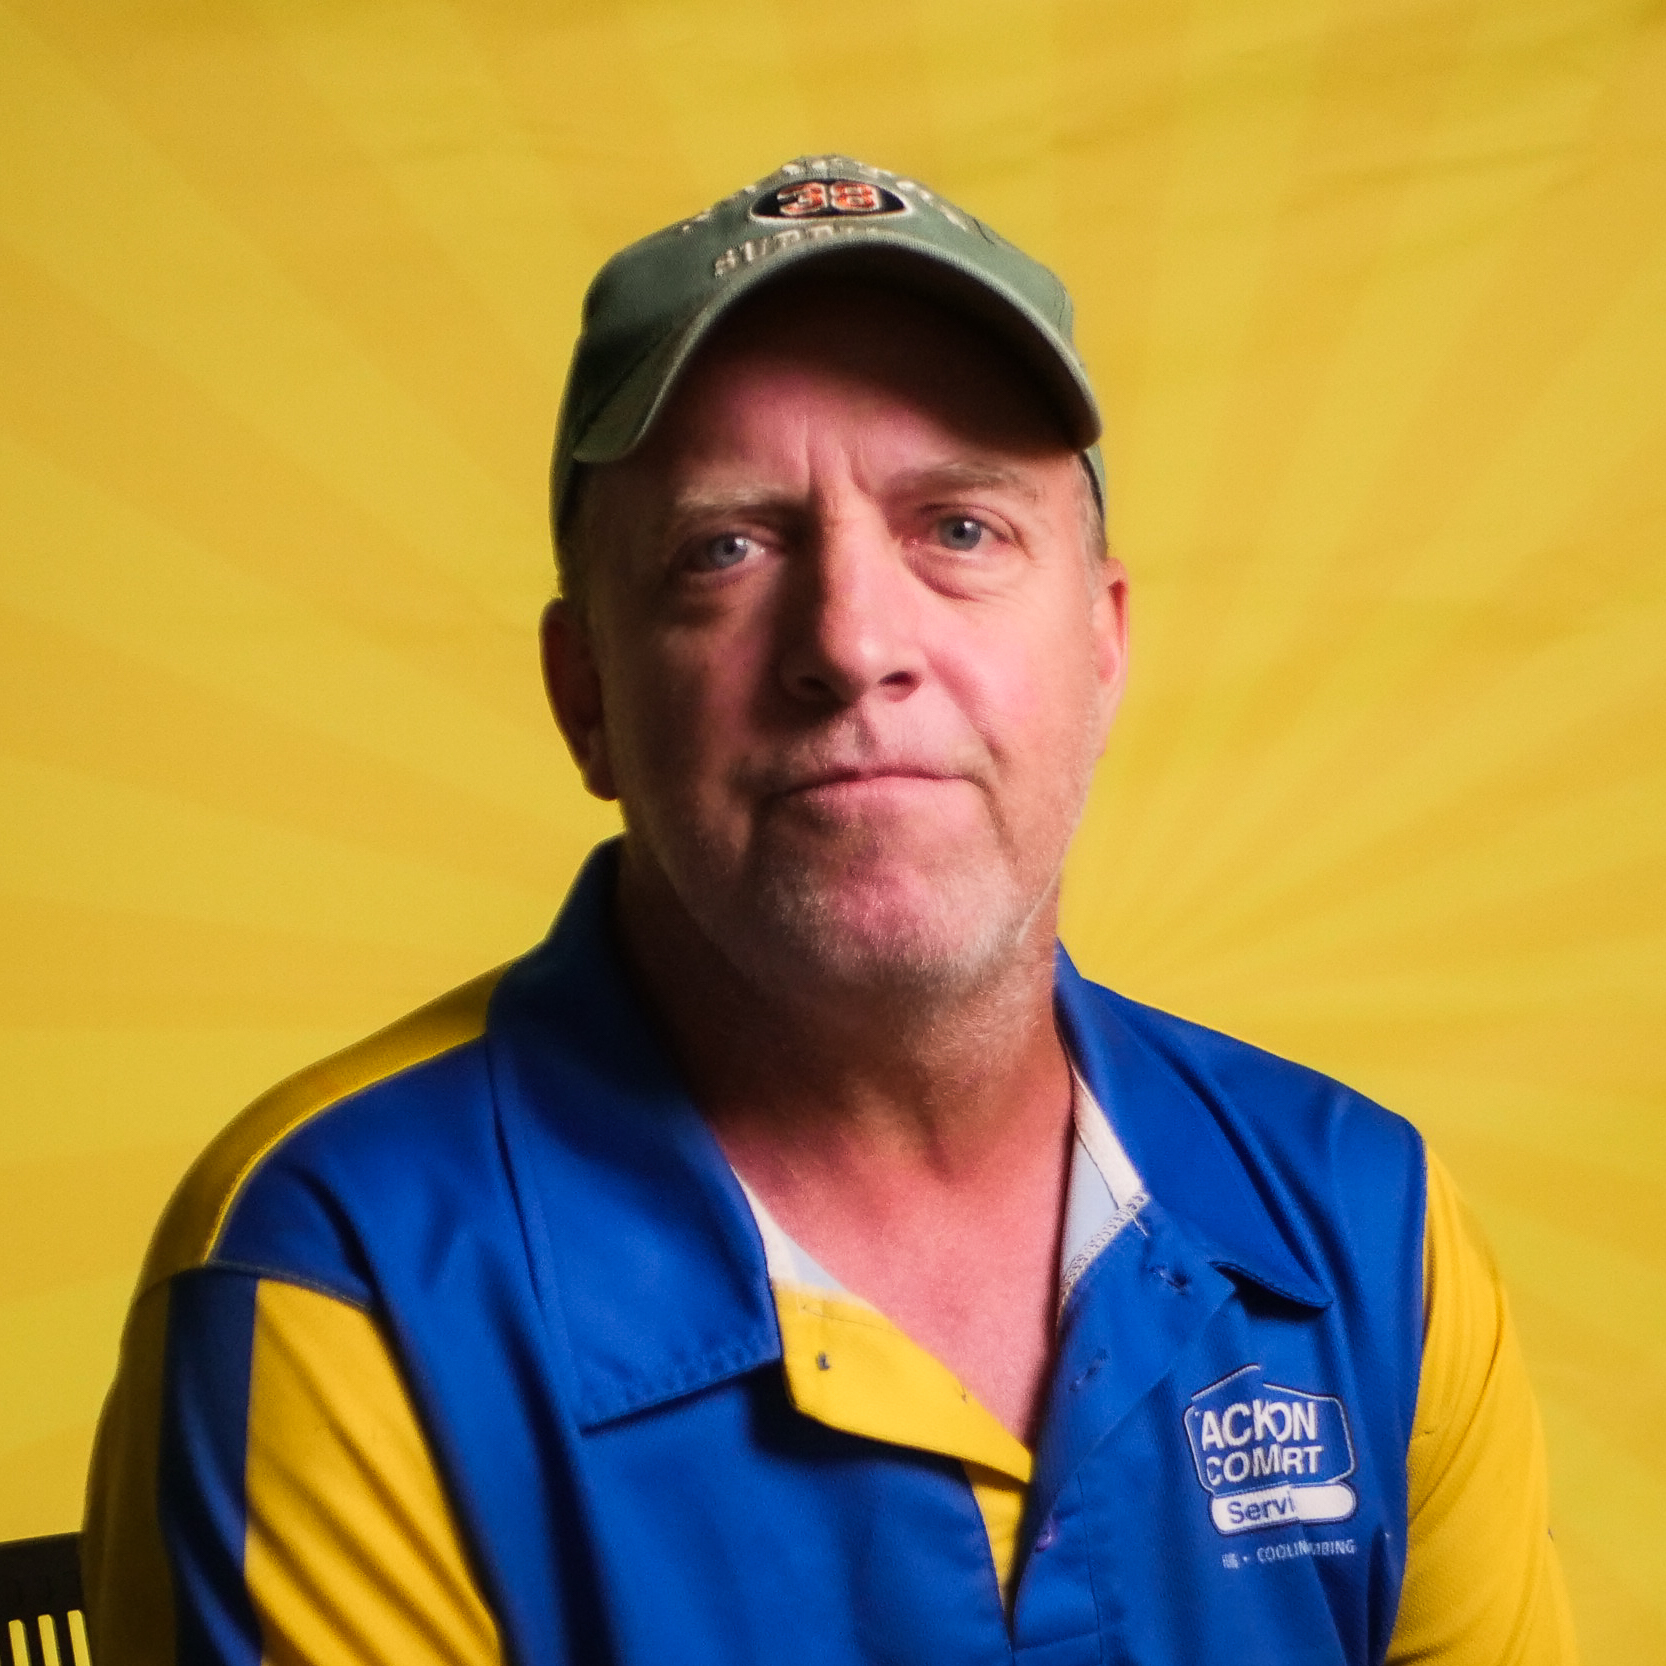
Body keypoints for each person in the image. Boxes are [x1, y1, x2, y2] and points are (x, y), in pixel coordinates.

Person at [84, 156, 1577, 1666]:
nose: (854, 642)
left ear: (1104, 650)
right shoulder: (343, 1276)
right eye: (723, 549)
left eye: (960, 529)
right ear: (583, 693)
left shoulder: (1366, 1229)